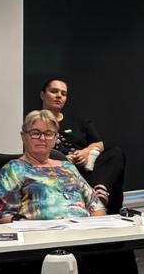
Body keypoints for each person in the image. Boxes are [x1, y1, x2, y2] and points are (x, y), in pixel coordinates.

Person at [0, 110, 143, 274]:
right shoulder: (14, 170)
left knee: (120, 248)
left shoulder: (67, 167)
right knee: (69, 259)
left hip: (83, 235)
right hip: (45, 242)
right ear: (23, 136)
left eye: (49, 133)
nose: (42, 138)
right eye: (35, 133)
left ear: (55, 138)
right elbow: (1, 215)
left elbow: (95, 204)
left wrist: (100, 228)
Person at [36, 77, 126, 214]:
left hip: (86, 170)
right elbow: (35, 152)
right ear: (43, 95)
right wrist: (65, 161)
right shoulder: (36, 123)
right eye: (54, 91)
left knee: (116, 153)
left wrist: (86, 152)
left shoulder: (78, 120)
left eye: (63, 93)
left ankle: (99, 191)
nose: (59, 96)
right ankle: (92, 198)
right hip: (59, 172)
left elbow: (99, 144)